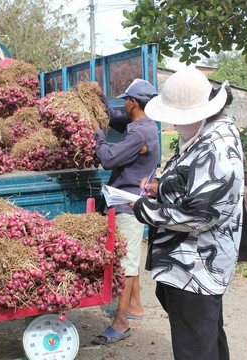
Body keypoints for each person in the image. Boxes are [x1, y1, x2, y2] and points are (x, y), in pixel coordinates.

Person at [132, 69, 244, 360]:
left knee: (195, 349)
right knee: (206, 342)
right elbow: (194, 186)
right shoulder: (205, 136)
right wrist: (162, 188)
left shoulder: (215, 147)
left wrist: (146, 211)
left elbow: (200, 214)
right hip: (189, 268)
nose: (173, 123)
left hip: (195, 269)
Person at [89, 79, 160, 345]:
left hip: (127, 204)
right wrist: (101, 98)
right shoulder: (144, 126)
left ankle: (121, 322)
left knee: (126, 263)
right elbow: (116, 119)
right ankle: (135, 306)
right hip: (129, 201)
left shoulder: (138, 133)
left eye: (125, 101)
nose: (124, 105)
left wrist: (98, 134)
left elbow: (107, 159)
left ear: (133, 103)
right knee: (129, 257)